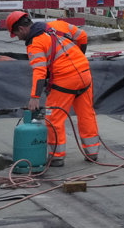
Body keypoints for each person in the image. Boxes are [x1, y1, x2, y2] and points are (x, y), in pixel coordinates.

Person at [6, 11, 99, 166]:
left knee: (53, 119)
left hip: (64, 82)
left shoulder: (35, 44)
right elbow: (82, 36)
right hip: (85, 75)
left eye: (15, 33)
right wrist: (78, 56)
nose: (17, 37)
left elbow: (40, 71)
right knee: (87, 114)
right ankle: (92, 153)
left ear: (21, 29)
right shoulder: (58, 24)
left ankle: (56, 156)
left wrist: (35, 97)